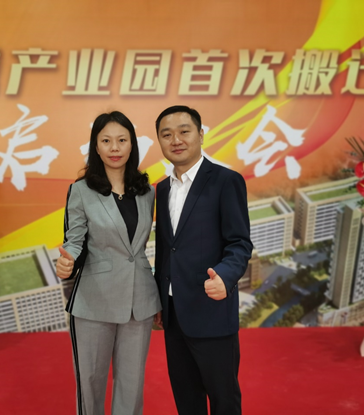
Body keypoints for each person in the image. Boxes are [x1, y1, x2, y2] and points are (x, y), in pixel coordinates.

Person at [56, 111, 161, 415]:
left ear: (132, 145)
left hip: (139, 301)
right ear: (96, 146)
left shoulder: (148, 192)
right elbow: (74, 240)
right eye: (106, 141)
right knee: (90, 382)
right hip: (94, 300)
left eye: (122, 140)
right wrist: (68, 262)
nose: (115, 148)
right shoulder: (81, 190)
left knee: (132, 384)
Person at [153, 105, 253, 415]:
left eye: (184, 131)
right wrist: (158, 300)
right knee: (186, 400)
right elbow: (165, 250)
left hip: (211, 309)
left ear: (200, 134)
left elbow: (239, 242)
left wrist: (225, 275)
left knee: (224, 400)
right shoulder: (161, 189)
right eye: (167, 135)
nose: (176, 140)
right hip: (173, 314)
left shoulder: (225, 180)